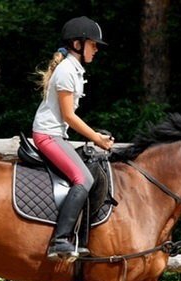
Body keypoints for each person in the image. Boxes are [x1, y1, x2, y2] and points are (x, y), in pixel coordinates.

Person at [32, 16, 114, 261]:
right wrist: (96, 139)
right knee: (83, 179)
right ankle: (60, 240)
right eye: (93, 44)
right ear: (78, 44)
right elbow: (69, 115)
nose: (96, 49)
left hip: (56, 135)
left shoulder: (74, 69)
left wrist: (96, 135)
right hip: (47, 135)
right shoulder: (67, 71)